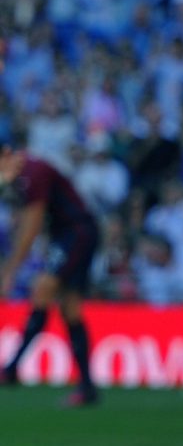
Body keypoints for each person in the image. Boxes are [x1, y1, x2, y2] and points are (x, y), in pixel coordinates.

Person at [0, 137, 100, 406]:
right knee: (71, 310)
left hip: (75, 233)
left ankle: (10, 369)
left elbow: (31, 225)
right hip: (73, 233)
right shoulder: (25, 174)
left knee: (42, 288)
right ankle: (88, 388)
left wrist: (10, 270)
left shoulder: (33, 172)